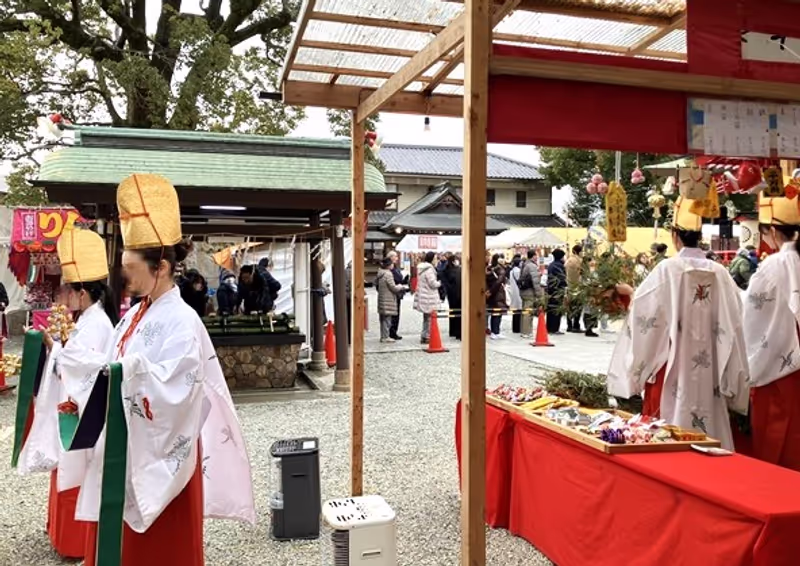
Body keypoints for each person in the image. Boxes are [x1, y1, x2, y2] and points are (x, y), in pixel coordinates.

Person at [80, 173, 254, 566]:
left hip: (162, 455)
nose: (122, 278)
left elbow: (181, 390)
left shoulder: (181, 320)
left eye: (130, 268)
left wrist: (130, 373)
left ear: (160, 266)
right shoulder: (132, 316)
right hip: (126, 447)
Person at [607, 197, 749, 451]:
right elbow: (736, 321)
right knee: (709, 428)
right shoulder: (722, 274)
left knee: (667, 435)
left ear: (675, 235)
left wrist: (630, 296)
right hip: (711, 373)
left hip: (671, 370)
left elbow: (646, 322)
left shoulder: (666, 270)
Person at [16, 227, 117, 560]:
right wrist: (56, 349)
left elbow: (90, 367)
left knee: (77, 473)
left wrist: (56, 350)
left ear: (83, 292)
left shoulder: (98, 323)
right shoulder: (87, 319)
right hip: (72, 403)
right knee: (68, 472)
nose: (66, 297)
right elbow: (73, 358)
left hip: (80, 409)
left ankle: (75, 542)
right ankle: (64, 536)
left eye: (70, 291)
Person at [743, 192, 800, 470]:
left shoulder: (772, 267)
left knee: (779, 447)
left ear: (774, 231)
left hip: (781, 372)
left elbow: (752, 320)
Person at [376, 257, 406, 343]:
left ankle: (383, 336)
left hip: (382, 298)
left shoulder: (380, 273)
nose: (393, 265)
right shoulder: (388, 274)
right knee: (387, 319)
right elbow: (393, 287)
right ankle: (386, 337)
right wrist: (400, 286)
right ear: (389, 265)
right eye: (392, 264)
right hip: (388, 299)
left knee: (382, 319)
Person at [414, 251, 441, 345]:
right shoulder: (429, 269)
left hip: (424, 296)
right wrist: (440, 283)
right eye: (435, 258)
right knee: (430, 319)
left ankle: (424, 335)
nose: (436, 260)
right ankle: (428, 336)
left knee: (426, 318)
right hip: (429, 296)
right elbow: (432, 284)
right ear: (432, 259)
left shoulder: (421, 268)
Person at [518, 250, 542, 339]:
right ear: (533, 256)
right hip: (529, 291)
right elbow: (535, 282)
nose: (537, 257)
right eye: (536, 255)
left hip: (523, 291)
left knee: (525, 311)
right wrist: (539, 294)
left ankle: (524, 330)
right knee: (528, 312)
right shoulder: (532, 266)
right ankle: (526, 331)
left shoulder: (524, 264)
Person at [485, 254, 508, 340]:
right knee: (497, 313)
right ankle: (495, 332)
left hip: (492, 293)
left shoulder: (489, 269)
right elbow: (499, 282)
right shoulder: (500, 269)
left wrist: (490, 291)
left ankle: (495, 331)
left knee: (495, 312)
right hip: (498, 293)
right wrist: (491, 291)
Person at [546, 249, 567, 334]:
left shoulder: (551, 265)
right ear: (561, 257)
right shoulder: (559, 266)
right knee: (556, 310)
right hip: (557, 290)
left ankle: (549, 327)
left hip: (551, 290)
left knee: (551, 309)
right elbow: (561, 278)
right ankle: (554, 328)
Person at [441, 254, 462, 340]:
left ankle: (453, 331)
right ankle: (458, 332)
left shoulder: (446, 270)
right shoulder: (456, 270)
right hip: (457, 294)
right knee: (458, 313)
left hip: (452, 294)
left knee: (453, 312)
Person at [565, 245, 583, 333]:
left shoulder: (568, 261)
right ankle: (576, 325)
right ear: (578, 252)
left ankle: (569, 325)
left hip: (569, 287)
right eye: (581, 251)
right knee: (578, 307)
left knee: (569, 307)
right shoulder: (579, 261)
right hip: (578, 287)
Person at [387, 251, 406, 340]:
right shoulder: (390, 268)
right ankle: (392, 332)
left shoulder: (395, 267)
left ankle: (394, 331)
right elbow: (397, 278)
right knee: (394, 314)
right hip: (392, 293)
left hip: (397, 293)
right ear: (391, 257)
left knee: (396, 313)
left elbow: (400, 278)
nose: (397, 258)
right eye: (395, 256)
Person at [508, 254, 523, 334]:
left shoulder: (511, 271)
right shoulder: (518, 271)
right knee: (519, 310)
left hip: (513, 291)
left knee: (515, 311)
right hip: (518, 292)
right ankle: (518, 328)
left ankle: (515, 327)